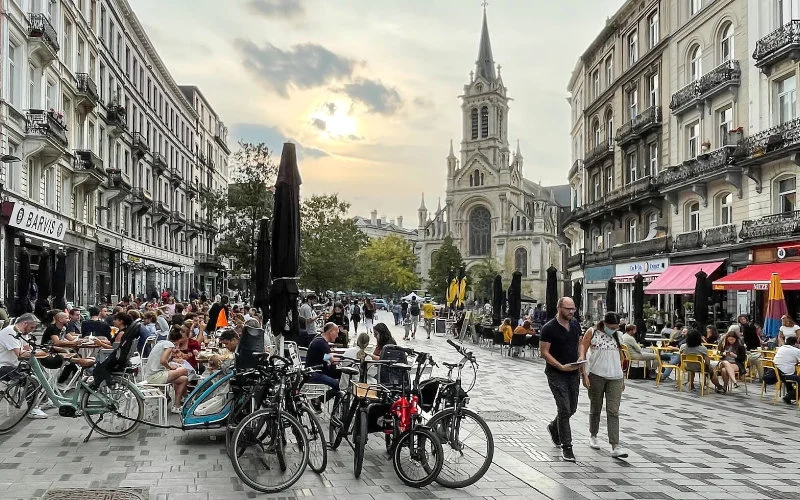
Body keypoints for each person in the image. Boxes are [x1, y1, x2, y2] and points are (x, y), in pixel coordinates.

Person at [579, 312, 628, 459]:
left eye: (616, 327)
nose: (613, 329)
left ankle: (615, 445)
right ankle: (593, 435)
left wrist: (623, 378)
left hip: (615, 377)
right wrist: (584, 374)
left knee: (613, 411)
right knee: (596, 406)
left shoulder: (618, 336)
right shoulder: (592, 332)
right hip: (596, 375)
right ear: (604, 323)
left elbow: (619, 356)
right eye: (611, 327)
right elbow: (582, 350)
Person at [540, 297, 583, 462]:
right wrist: (559, 366)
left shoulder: (575, 324)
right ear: (559, 308)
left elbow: (579, 343)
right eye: (568, 309)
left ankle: (553, 427)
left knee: (572, 408)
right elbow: (544, 352)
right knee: (564, 409)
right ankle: (567, 447)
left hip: (573, 371)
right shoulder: (548, 328)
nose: (571, 312)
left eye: (573, 309)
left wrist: (581, 356)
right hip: (556, 373)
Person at [0, 314, 50, 419]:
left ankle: (43, 400)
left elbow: (29, 348)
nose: (32, 330)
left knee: (40, 373)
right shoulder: (10, 332)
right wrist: (39, 353)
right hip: (3, 366)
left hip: (13, 364)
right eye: (32, 327)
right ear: (25, 323)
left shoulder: (22, 332)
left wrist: (38, 351)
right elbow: (20, 354)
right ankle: (33, 409)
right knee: (30, 379)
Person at [144, 328, 189, 414]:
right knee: (184, 370)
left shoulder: (163, 343)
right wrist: (170, 367)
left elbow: (161, 360)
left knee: (183, 379)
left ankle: (176, 405)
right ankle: (186, 398)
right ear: (179, 340)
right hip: (155, 376)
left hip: (154, 375)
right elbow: (163, 361)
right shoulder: (169, 345)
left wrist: (172, 358)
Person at [773, 336, 800, 404]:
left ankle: (791, 395)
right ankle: (790, 396)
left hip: (776, 372)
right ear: (795, 343)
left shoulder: (781, 348)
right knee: (797, 378)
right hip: (785, 374)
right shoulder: (796, 350)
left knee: (792, 376)